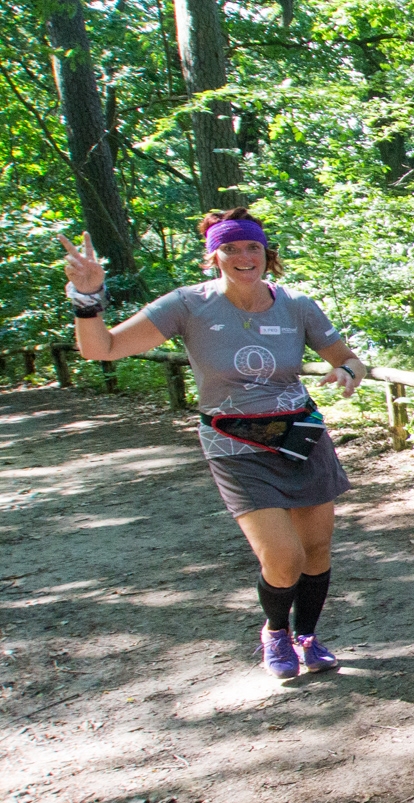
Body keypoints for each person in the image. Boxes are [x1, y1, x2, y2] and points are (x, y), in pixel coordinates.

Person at [57, 208, 367, 679]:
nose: (244, 256)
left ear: (267, 255)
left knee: (317, 550)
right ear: (213, 257)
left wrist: (346, 371)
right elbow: (102, 348)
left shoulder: (296, 304)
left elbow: (348, 359)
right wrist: (86, 297)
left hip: (302, 437)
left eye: (253, 247)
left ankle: (308, 635)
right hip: (234, 443)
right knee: (284, 558)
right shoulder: (187, 305)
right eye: (231, 248)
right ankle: (275, 632)